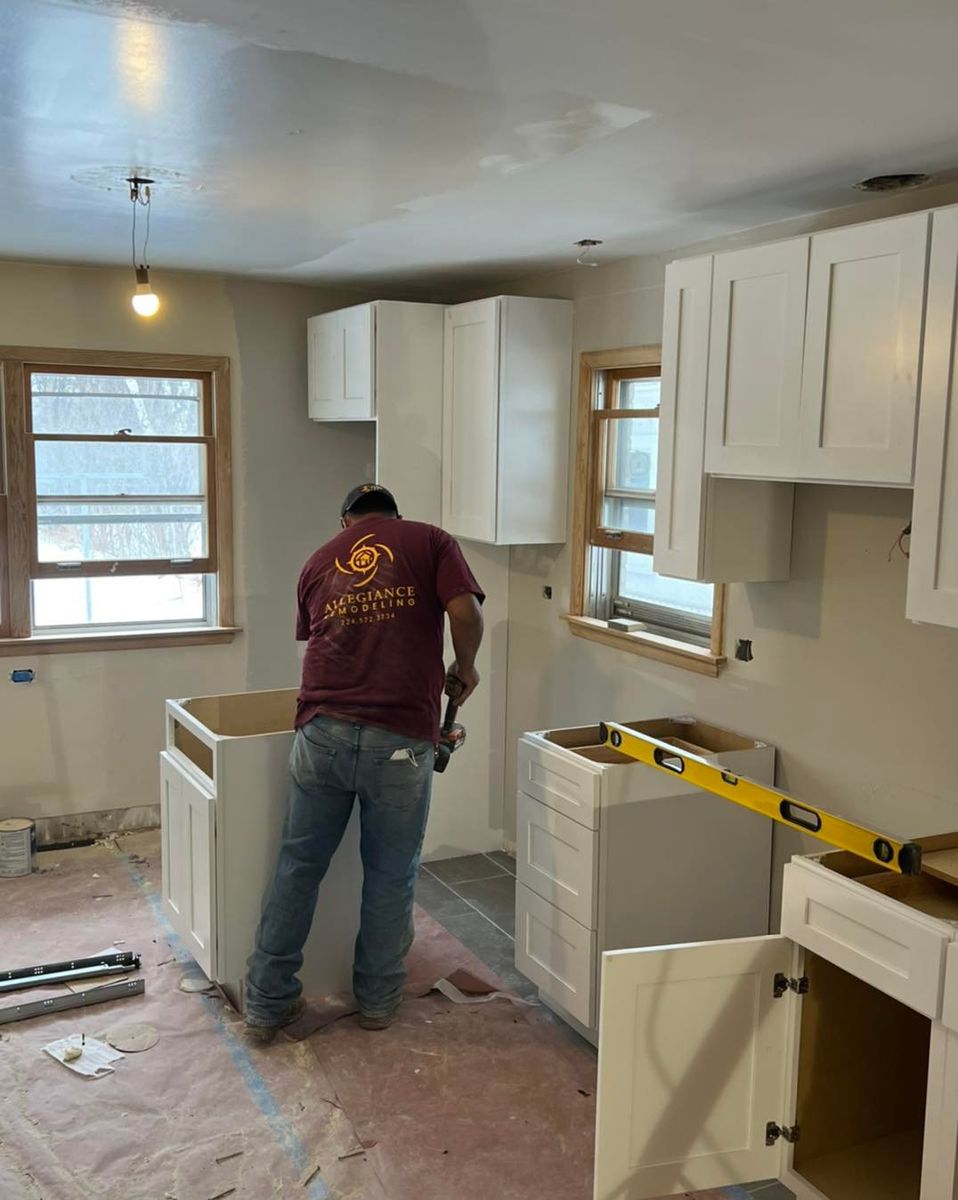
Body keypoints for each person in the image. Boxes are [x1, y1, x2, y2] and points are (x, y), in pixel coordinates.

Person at [244, 483, 484, 1040]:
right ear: (393, 515)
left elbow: (321, 638)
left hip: (321, 733)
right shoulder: (430, 540)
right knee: (389, 874)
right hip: (399, 740)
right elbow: (465, 611)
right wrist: (464, 666)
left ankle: (266, 1003)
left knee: (297, 867)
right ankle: (377, 1002)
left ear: (345, 521)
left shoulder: (316, 562)